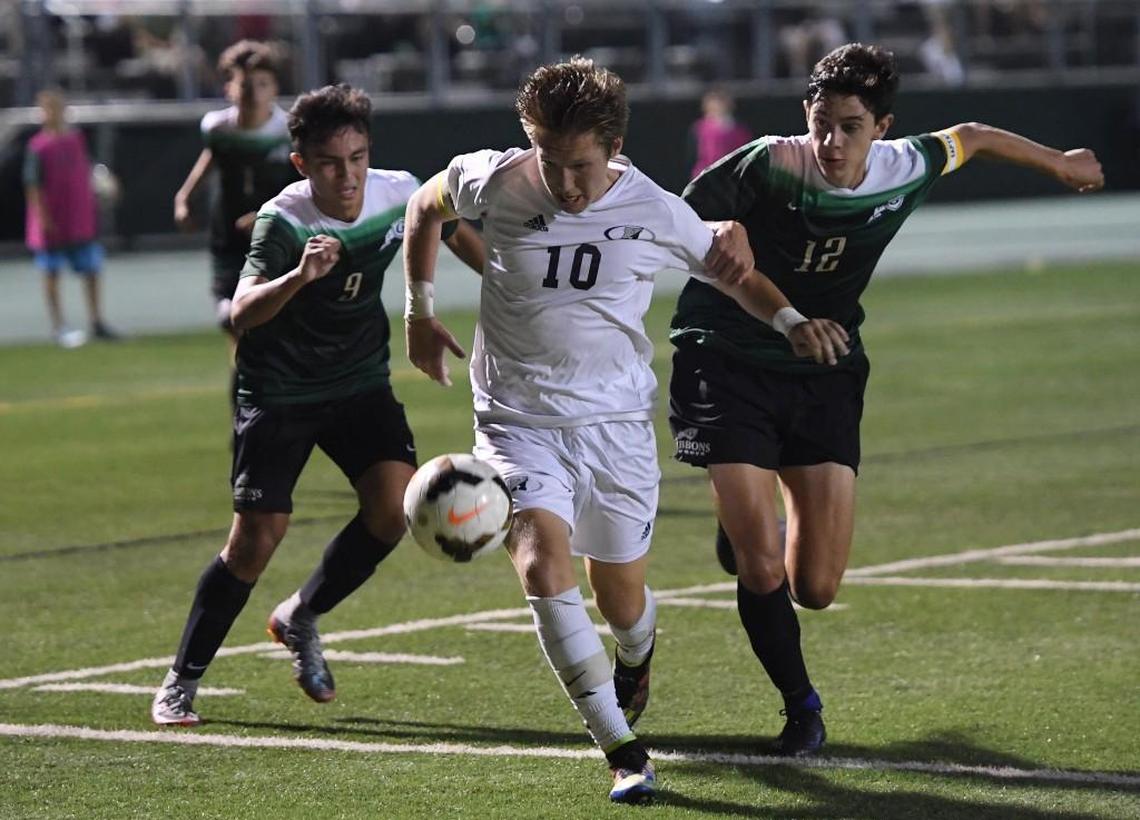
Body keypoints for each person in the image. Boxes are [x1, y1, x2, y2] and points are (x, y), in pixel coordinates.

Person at [402, 57, 847, 804]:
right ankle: (621, 746)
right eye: (550, 161)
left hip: (614, 428)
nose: (565, 183)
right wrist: (418, 311)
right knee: (544, 564)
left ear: (613, 147)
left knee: (621, 600)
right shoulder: (495, 178)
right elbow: (425, 207)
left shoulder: (654, 208)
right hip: (515, 420)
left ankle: (635, 656)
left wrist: (792, 322)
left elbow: (731, 270)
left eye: (579, 166)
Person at [667, 42, 1104, 757]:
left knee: (817, 585)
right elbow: (682, 218)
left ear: (882, 127)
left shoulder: (908, 164)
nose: (830, 141)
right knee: (761, 567)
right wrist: (723, 230)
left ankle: (749, 520)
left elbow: (976, 138)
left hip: (828, 366)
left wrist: (1059, 161)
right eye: (819, 123)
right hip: (728, 356)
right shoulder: (770, 162)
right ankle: (801, 707)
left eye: (848, 126)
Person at [150, 83, 485, 727]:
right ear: (302, 163)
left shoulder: (398, 191)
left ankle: (301, 615)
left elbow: (442, 224)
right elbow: (243, 313)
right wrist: (299, 277)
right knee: (255, 542)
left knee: (394, 511)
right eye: (331, 162)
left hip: (360, 383)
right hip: (280, 392)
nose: (349, 174)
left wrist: (503, 280)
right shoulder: (285, 219)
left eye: (358, 157)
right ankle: (181, 681)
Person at [173, 40, 296, 406]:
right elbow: (211, 158)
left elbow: (304, 188)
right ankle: (250, 404)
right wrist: (184, 198)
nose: (252, 93)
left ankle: (255, 405)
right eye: (243, 84)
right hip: (226, 240)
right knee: (233, 321)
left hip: (274, 241)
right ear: (229, 86)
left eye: (261, 84)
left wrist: (267, 213)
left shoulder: (288, 131)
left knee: (266, 329)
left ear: (274, 87)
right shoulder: (217, 128)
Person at [23, 89, 119, 348]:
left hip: (77, 218)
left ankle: (96, 321)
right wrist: (42, 217)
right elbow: (32, 186)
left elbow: (87, 171)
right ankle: (59, 326)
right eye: (47, 108)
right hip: (52, 220)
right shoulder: (37, 147)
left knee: (91, 269)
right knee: (51, 272)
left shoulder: (76, 139)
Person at [687, 88, 752, 180]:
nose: (718, 106)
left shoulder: (739, 129)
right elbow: (694, 155)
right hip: (706, 175)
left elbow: (746, 153)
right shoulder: (700, 127)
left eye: (721, 101)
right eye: (714, 102)